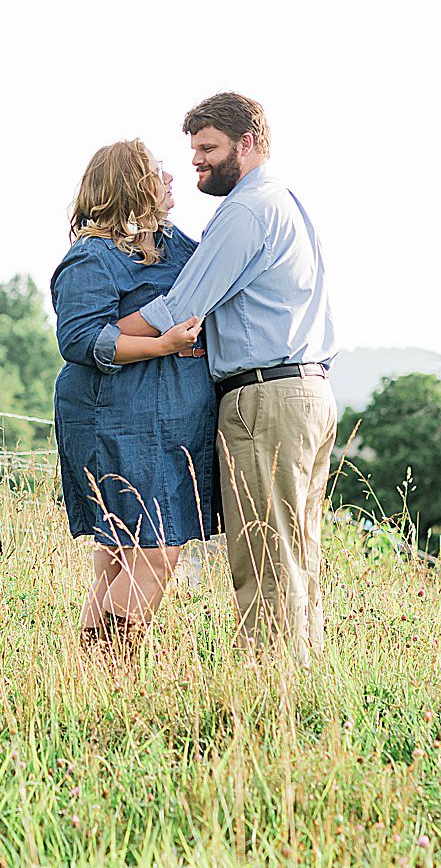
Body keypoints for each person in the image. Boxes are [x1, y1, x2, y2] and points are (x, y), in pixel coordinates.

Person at [117, 92, 338, 666]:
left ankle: (268, 695)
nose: (196, 161)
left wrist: (102, 337)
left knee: (264, 556)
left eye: (209, 148)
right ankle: (299, 687)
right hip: (307, 391)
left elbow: (181, 308)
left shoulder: (245, 212)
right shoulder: (286, 204)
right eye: (193, 149)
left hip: (265, 397)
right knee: (296, 556)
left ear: (248, 144)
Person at [51, 139, 220, 654]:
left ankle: (92, 678)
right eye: (158, 172)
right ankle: (113, 669)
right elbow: (80, 339)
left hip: (168, 424)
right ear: (130, 187)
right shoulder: (92, 258)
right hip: (119, 423)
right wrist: (162, 343)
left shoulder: (175, 248)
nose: (172, 180)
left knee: (122, 552)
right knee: (155, 551)